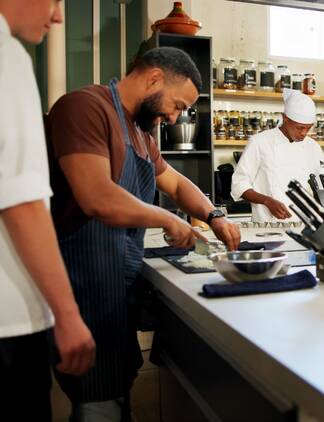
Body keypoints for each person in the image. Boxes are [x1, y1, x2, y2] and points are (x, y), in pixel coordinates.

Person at [45, 46, 241, 419]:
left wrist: (214, 215)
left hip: (116, 284)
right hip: (83, 287)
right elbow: (97, 197)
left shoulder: (140, 133)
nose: (175, 117)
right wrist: (168, 220)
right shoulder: (85, 108)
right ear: (153, 78)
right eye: (178, 105)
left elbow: (177, 183)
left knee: (114, 391)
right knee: (96, 401)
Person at [0, 1, 96, 420]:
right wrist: (67, 314)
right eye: (55, 0)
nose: (58, 16)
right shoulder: (7, 57)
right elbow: (21, 201)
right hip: (9, 319)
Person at [231, 88, 324, 223]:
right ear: (285, 118)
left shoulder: (312, 147)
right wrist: (267, 201)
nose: (304, 133)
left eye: (308, 128)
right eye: (300, 127)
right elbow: (239, 184)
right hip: (267, 227)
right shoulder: (260, 142)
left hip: (304, 226)